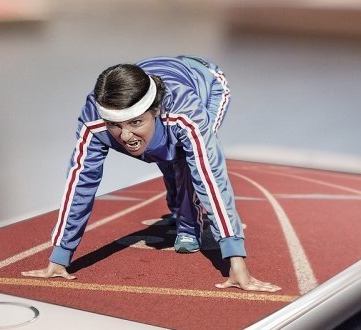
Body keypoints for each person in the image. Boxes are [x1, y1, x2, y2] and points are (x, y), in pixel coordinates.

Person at [22, 56, 280, 292]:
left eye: (135, 122)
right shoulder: (94, 120)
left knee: (187, 160)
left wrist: (236, 261)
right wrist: (60, 256)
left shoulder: (185, 111)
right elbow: (80, 183)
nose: (124, 136)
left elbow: (210, 177)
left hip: (207, 84)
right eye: (115, 125)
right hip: (157, 86)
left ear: (154, 111)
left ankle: (189, 226)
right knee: (163, 155)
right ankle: (179, 207)